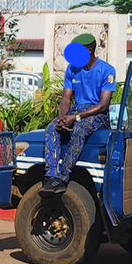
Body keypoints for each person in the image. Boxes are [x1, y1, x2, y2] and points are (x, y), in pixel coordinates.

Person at [42, 33, 116, 194]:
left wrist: (76, 118)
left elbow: (104, 105)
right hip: (77, 110)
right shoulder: (72, 69)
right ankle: (51, 176)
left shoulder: (107, 71)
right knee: (51, 129)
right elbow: (66, 97)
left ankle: (63, 177)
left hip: (97, 114)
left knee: (80, 129)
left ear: (89, 50)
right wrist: (63, 118)